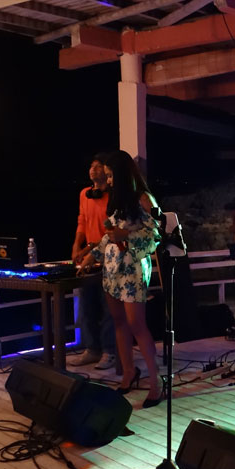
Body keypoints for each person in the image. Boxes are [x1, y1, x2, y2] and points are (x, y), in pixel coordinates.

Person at [80, 151, 162, 407]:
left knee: (137, 324)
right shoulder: (118, 200)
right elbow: (109, 236)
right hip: (112, 267)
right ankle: (128, 372)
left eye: (111, 175)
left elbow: (155, 236)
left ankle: (156, 382)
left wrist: (126, 237)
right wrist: (91, 256)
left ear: (123, 174)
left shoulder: (143, 198)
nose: (109, 180)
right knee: (118, 322)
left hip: (133, 267)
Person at [68, 154, 116, 370]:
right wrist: (76, 245)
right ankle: (92, 349)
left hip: (109, 257)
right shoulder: (84, 194)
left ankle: (109, 351)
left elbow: (112, 231)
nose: (93, 170)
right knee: (87, 305)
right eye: (91, 166)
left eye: (98, 166)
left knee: (108, 308)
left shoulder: (113, 197)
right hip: (89, 259)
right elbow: (82, 221)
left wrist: (89, 249)